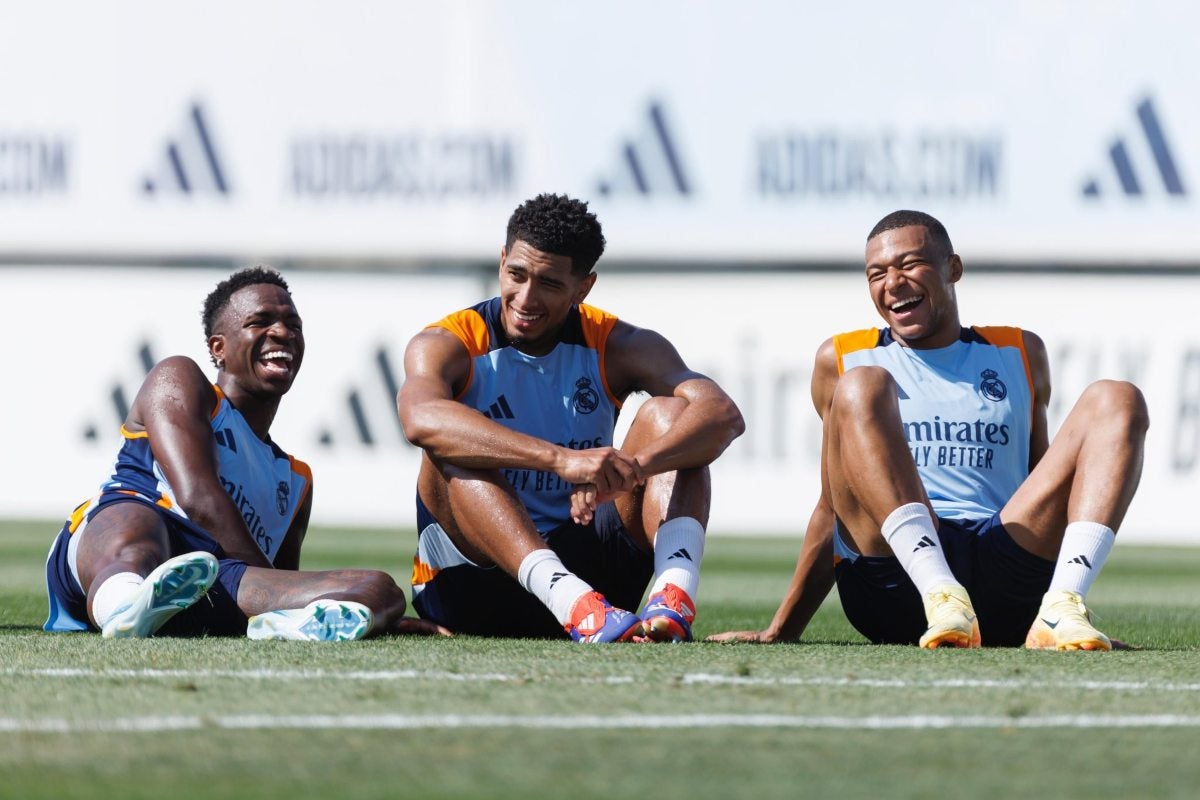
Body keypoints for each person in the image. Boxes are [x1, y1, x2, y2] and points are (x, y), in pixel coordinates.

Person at [709, 210, 1148, 650]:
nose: (893, 283)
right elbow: (834, 503)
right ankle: (942, 594)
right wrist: (781, 630)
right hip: (898, 584)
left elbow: (1045, 482)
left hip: (1004, 573)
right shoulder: (842, 358)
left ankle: (1062, 609)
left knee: (1118, 397)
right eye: (876, 273)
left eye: (909, 264)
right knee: (864, 383)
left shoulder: (1019, 351)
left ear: (952, 269)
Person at [397, 193, 744, 643]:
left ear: (584, 287)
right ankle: (571, 602)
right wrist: (562, 461)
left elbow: (722, 415)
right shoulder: (448, 341)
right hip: (473, 589)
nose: (525, 298)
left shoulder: (617, 342)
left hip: (595, 582)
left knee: (672, 416)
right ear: (502, 260)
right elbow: (420, 420)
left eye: (549, 284)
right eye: (516, 275)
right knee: (447, 446)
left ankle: (671, 599)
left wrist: (633, 469)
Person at [44, 267, 448, 640]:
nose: (282, 333)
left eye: (293, 325)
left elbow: (282, 577)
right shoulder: (181, 379)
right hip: (115, 545)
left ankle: (281, 627)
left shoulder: (296, 480)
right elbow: (199, 499)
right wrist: (269, 584)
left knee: (381, 589)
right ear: (218, 347)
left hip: (217, 580)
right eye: (260, 322)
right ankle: (126, 607)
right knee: (139, 524)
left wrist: (361, 608)